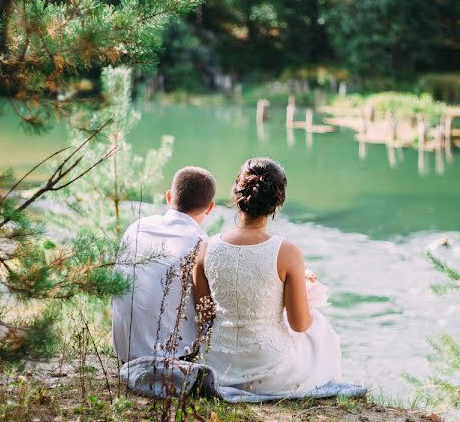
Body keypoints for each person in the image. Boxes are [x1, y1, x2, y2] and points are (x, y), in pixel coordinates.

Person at [193, 157, 341, 393]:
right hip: (271, 370)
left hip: (218, 366)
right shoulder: (287, 252)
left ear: (236, 192)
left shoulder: (206, 248)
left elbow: (203, 317)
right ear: (277, 202)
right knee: (320, 328)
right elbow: (300, 324)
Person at [112, 166, 216, 363]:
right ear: (210, 208)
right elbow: (206, 313)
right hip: (173, 358)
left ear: (169, 197)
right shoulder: (202, 244)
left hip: (125, 351)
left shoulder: (137, 227)